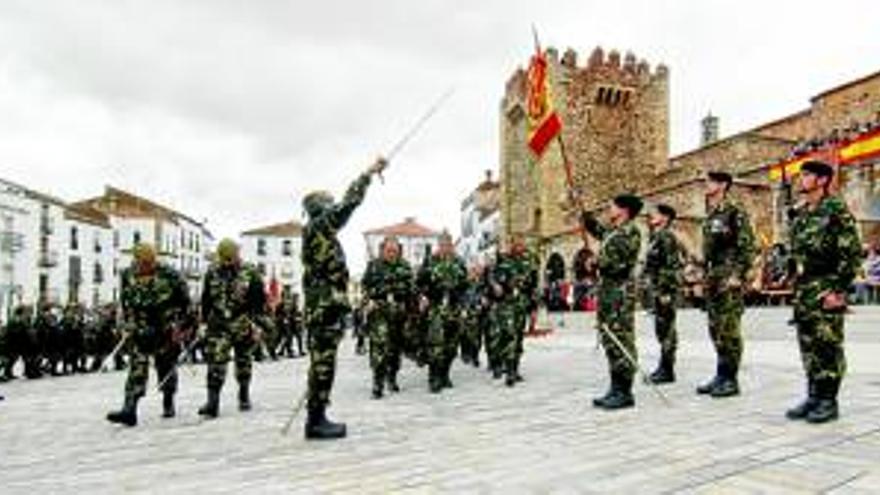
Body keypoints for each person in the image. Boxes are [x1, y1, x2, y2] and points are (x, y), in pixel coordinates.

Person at [301, 156, 386, 440]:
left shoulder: (318, 232)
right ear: (320, 208)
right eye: (328, 203)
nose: (332, 206)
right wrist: (368, 174)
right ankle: (315, 421)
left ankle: (317, 415)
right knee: (323, 364)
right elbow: (349, 204)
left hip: (325, 308)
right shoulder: (318, 227)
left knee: (323, 364)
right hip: (324, 309)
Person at [786, 161, 862, 423]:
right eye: (802, 174)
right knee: (808, 345)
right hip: (805, 289)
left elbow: (851, 253)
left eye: (807, 175)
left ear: (822, 180)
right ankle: (813, 395)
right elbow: (796, 252)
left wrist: (838, 290)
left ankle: (829, 400)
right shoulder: (803, 212)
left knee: (827, 345)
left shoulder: (835, 210)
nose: (802, 179)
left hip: (826, 286)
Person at [106, 243, 191, 426]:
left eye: (149, 262)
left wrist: (182, 328)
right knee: (137, 368)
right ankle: (129, 409)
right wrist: (127, 323)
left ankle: (168, 401)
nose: (145, 266)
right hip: (139, 330)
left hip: (165, 330)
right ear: (135, 260)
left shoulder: (171, 276)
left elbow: (186, 304)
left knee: (166, 366)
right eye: (142, 262)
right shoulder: (127, 275)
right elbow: (125, 301)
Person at [697, 171, 755, 398]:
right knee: (715, 328)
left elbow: (747, 246)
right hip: (714, 276)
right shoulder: (711, 215)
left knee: (729, 330)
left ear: (722, 185)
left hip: (729, 276)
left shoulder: (734, 211)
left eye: (710, 181)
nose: (706, 185)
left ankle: (731, 379)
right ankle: (720, 374)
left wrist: (738, 275)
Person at [581, 194, 643, 410]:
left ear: (624, 210)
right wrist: (584, 213)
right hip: (608, 292)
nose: (609, 208)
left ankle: (625, 391)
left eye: (613, 205)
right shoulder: (614, 232)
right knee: (609, 339)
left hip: (620, 294)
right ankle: (615, 387)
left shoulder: (630, 232)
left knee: (620, 339)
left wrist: (597, 261)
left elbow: (620, 263)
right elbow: (597, 231)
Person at [198, 239, 266, 418]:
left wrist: (258, 325)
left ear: (237, 254)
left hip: (242, 323)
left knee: (243, 361)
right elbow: (206, 299)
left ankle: (243, 394)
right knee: (215, 362)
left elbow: (259, 302)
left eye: (231, 258)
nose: (227, 262)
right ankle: (212, 402)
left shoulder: (250, 272)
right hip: (218, 324)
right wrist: (203, 323)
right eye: (224, 259)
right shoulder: (212, 272)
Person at [361, 236, 414, 399]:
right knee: (379, 346)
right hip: (379, 311)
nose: (392, 253)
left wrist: (413, 303)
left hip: (398, 312)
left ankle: (392, 377)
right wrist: (368, 301)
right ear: (382, 250)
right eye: (389, 251)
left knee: (395, 348)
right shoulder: (374, 266)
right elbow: (364, 287)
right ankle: (377, 383)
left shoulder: (405, 266)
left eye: (395, 251)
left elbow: (412, 288)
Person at [417, 232, 468, 393]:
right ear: (438, 245)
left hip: (454, 307)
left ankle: (445, 374)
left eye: (448, 245)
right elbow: (419, 283)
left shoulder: (459, 262)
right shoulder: (430, 261)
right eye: (443, 245)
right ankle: (434, 377)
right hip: (436, 307)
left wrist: (463, 303)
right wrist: (423, 297)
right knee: (436, 345)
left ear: (452, 245)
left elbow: (465, 285)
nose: (446, 248)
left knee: (452, 346)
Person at [488, 235, 538, 387]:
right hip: (506, 304)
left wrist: (533, 308)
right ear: (511, 245)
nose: (519, 246)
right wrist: (495, 286)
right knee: (509, 335)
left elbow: (533, 287)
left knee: (518, 337)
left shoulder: (529, 261)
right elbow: (492, 277)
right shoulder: (503, 260)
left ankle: (515, 369)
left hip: (521, 305)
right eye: (516, 244)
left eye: (521, 243)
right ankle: (508, 370)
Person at [644, 203, 683, 384]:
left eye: (656, 213)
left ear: (665, 218)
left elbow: (670, 266)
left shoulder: (666, 237)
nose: (652, 215)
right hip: (657, 290)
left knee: (667, 330)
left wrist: (665, 291)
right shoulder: (656, 237)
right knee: (661, 329)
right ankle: (664, 366)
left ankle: (667, 369)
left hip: (664, 291)